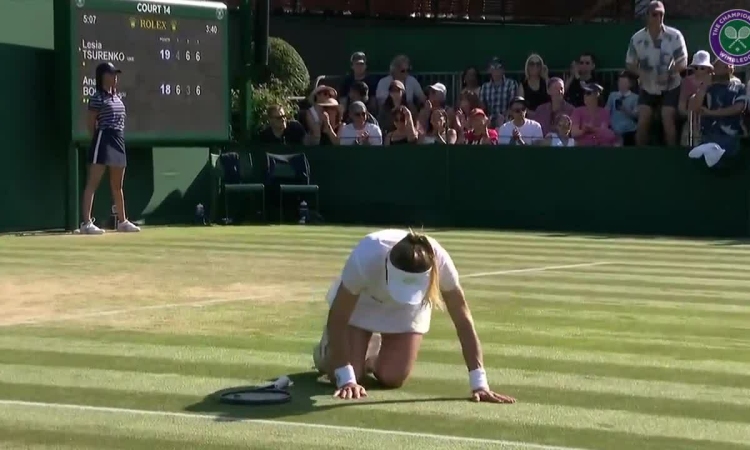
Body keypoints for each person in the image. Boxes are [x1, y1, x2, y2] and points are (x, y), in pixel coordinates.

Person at [312, 228, 517, 403]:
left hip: (410, 308)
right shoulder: (366, 255)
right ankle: (325, 352)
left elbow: (463, 320)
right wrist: (346, 378)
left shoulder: (441, 262)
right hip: (364, 302)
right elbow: (338, 316)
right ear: (387, 266)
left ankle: (369, 353)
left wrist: (479, 382)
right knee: (346, 373)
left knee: (392, 377)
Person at [80, 62, 140, 235]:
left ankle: (122, 221)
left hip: (118, 140)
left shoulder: (117, 97)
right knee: (93, 183)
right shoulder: (97, 97)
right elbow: (91, 124)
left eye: (116, 74)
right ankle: (86, 223)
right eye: (111, 74)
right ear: (103, 77)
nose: (115, 77)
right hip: (103, 139)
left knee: (117, 185)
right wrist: (98, 139)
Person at [626, 0, 688, 145]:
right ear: (647, 16)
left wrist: (670, 72)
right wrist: (642, 74)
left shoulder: (675, 35)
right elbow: (629, 63)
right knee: (643, 120)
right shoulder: (637, 39)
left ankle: (671, 157)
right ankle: (641, 157)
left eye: (661, 14)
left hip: (671, 86)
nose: (658, 18)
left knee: (667, 117)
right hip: (647, 87)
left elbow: (683, 61)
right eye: (654, 14)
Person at [605, 71, 639, 146]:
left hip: (629, 130)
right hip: (613, 128)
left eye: (624, 82)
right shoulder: (612, 95)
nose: (621, 84)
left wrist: (625, 110)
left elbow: (636, 115)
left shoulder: (635, 98)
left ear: (630, 84)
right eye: (620, 82)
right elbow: (606, 111)